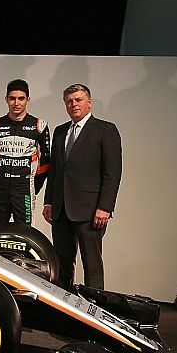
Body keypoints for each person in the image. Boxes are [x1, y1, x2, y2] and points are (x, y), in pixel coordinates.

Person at [42, 84, 122, 290]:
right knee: (62, 263)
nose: (73, 104)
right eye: (69, 101)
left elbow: (112, 174)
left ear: (89, 103)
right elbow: (55, 172)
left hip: (90, 210)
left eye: (78, 100)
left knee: (92, 264)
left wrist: (105, 207)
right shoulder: (60, 132)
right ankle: (64, 307)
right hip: (60, 210)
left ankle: (95, 309)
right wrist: (49, 201)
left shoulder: (105, 129)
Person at [0, 79, 51, 225]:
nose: (16, 103)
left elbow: (45, 163)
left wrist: (33, 186)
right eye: (12, 98)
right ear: (6, 99)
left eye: (21, 98)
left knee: (26, 232)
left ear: (28, 100)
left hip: (24, 189)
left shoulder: (39, 125)